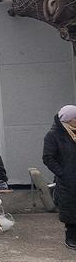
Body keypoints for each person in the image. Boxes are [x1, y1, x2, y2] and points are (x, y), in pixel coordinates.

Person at [41, 105, 76, 250]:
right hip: (68, 180)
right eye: (75, 117)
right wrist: (62, 173)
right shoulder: (53, 135)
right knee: (71, 209)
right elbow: (48, 157)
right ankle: (71, 238)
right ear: (68, 119)